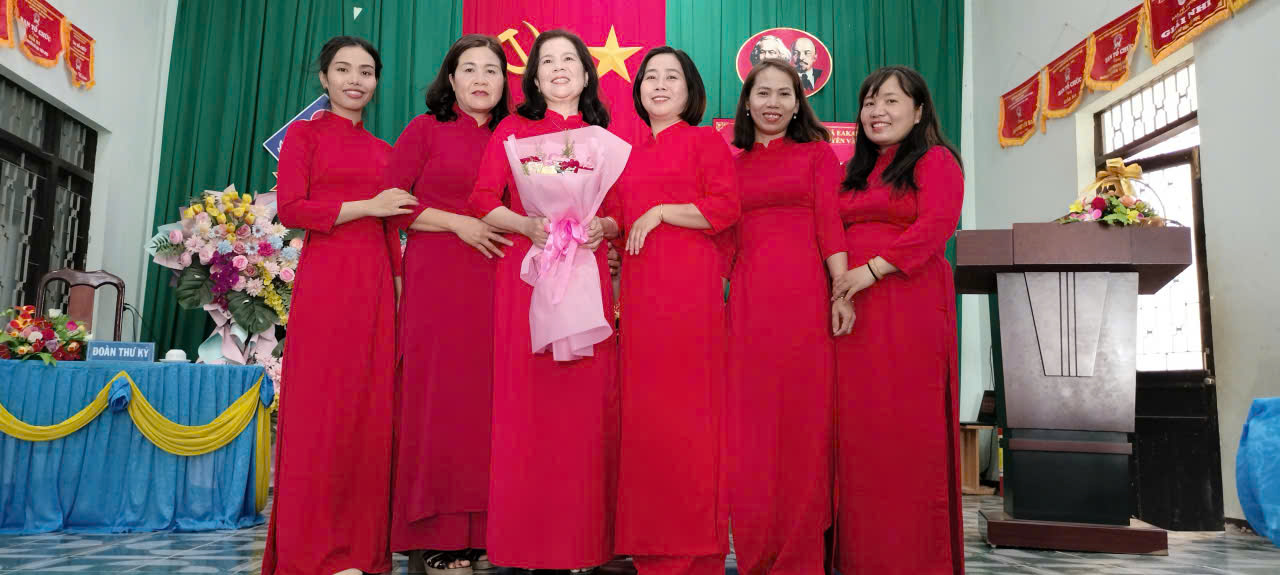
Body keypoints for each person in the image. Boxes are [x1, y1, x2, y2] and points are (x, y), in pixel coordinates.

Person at [467, 29, 620, 573]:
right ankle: (525, 546)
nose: (558, 68)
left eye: (568, 59)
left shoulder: (603, 138)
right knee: (526, 407)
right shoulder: (512, 130)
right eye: (547, 60)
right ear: (532, 77)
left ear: (585, 72)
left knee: (584, 410)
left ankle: (583, 545)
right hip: (528, 278)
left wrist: (604, 225)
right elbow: (482, 200)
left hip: (586, 277)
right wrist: (526, 225)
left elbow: (621, 211)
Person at [263, 35, 415, 575]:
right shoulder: (303, 136)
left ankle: (360, 552)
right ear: (323, 78)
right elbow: (292, 209)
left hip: (375, 287)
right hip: (326, 283)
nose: (356, 79)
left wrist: (399, 287)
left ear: (376, 82)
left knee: (368, 416)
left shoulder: (386, 152)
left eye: (366, 71)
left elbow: (395, 229)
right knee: (319, 414)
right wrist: (367, 205)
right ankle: (309, 554)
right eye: (344, 69)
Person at [383, 34, 513, 575]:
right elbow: (393, 202)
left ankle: (488, 531)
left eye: (492, 70)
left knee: (492, 403)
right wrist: (459, 223)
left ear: (505, 81)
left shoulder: (514, 135)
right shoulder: (425, 129)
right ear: (451, 79)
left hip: (501, 279)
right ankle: (437, 533)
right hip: (438, 278)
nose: (481, 79)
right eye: (470, 69)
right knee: (438, 399)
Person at [830, 65, 966, 575]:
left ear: (919, 110)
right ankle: (860, 557)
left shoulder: (935, 160)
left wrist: (871, 270)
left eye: (890, 101)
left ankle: (913, 560)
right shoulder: (852, 172)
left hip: (908, 307)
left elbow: (936, 226)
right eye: (870, 102)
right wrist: (843, 285)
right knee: (857, 435)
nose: (877, 111)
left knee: (906, 431)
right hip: (851, 313)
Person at [610, 46, 740, 575]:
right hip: (640, 299)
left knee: (691, 418)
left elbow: (725, 207)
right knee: (647, 420)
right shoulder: (628, 153)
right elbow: (617, 219)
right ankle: (650, 545)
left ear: (690, 90)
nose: (660, 85)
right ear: (638, 89)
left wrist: (662, 211)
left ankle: (694, 544)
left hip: (689, 295)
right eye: (651, 77)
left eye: (672, 77)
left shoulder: (706, 141)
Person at [726, 59, 851, 575]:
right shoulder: (731, 165)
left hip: (804, 302)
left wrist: (841, 291)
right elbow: (722, 239)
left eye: (784, 94)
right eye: (763, 93)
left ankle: (799, 556)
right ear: (747, 102)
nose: (773, 103)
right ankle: (755, 553)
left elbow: (831, 225)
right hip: (748, 305)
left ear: (799, 104)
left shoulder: (818, 155)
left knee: (804, 426)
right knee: (750, 431)